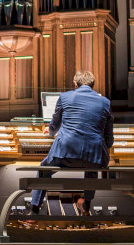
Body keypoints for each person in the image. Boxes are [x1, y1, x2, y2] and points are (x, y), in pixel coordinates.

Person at [29, 70, 114, 214]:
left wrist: (50, 132)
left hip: (66, 154)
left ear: (75, 84)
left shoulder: (65, 97)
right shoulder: (105, 102)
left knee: (44, 168)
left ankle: (34, 210)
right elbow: (109, 139)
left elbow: (55, 123)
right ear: (93, 85)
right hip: (94, 157)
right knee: (92, 165)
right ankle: (86, 205)